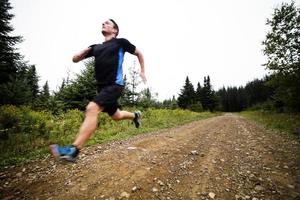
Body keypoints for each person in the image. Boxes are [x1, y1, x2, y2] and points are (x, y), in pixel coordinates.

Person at [49, 19, 146, 162]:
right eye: (103, 23)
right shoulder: (95, 47)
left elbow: (139, 53)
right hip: (102, 88)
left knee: (92, 108)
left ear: (115, 30)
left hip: (115, 85)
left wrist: (142, 71)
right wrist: (83, 52)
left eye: (107, 23)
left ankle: (73, 151)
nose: (103, 24)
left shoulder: (121, 43)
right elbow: (74, 59)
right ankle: (135, 116)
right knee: (116, 116)